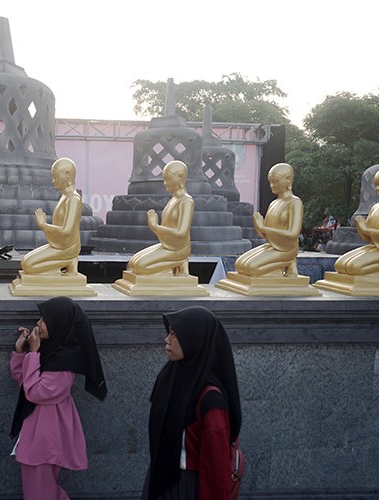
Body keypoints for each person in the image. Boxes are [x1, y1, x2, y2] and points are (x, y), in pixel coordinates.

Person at [9, 296, 107, 499]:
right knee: (40, 490)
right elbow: (25, 383)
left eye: (44, 320)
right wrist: (21, 352)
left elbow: (35, 392)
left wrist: (33, 353)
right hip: (37, 434)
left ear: (59, 324)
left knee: (39, 492)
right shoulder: (51, 351)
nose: (38, 323)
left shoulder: (64, 362)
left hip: (45, 438)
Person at [142, 306, 242, 500]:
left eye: (174, 334)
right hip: (160, 479)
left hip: (188, 488)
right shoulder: (169, 378)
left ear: (194, 340)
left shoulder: (210, 400)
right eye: (169, 332)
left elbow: (215, 469)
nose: (167, 340)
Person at [234, 163, 303, 277]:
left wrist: (263, 228)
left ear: (288, 179)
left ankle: (289, 262)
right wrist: (259, 227)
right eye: (270, 182)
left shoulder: (295, 203)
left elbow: (293, 233)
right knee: (239, 265)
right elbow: (266, 234)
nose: (272, 185)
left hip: (286, 249)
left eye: (276, 181)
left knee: (251, 269)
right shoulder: (273, 203)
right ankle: (281, 265)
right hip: (272, 246)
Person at [128, 160, 194, 275]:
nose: (164, 183)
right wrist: (155, 227)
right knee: (132, 264)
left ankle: (180, 262)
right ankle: (173, 264)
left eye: (168, 179)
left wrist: (155, 227)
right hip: (167, 245)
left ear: (180, 177)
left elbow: (181, 233)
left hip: (178, 249)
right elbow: (167, 228)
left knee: (139, 267)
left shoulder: (186, 201)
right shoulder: (173, 200)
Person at [20, 158, 83, 275]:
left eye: (56, 176)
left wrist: (44, 225)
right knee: (24, 262)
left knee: (28, 266)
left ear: (67, 175)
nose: (53, 180)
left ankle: (70, 261)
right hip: (58, 245)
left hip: (68, 247)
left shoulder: (73, 199)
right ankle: (65, 262)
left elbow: (67, 230)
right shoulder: (65, 196)